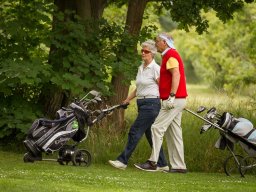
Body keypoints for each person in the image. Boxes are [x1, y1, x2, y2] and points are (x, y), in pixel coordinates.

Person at [108, 40, 168, 171]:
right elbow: (138, 87)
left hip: (152, 104)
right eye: (142, 50)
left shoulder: (156, 69)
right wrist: (127, 99)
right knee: (151, 136)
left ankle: (122, 161)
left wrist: (169, 103)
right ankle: (163, 164)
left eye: (146, 51)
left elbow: (163, 87)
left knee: (135, 131)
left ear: (152, 53)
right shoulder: (141, 68)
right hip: (142, 104)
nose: (143, 53)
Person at [134, 33, 188, 173]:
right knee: (174, 133)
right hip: (177, 99)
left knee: (156, 128)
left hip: (173, 100)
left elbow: (176, 74)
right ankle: (179, 166)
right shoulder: (169, 55)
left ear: (164, 42)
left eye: (157, 41)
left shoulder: (170, 55)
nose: (155, 43)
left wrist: (171, 96)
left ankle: (153, 162)